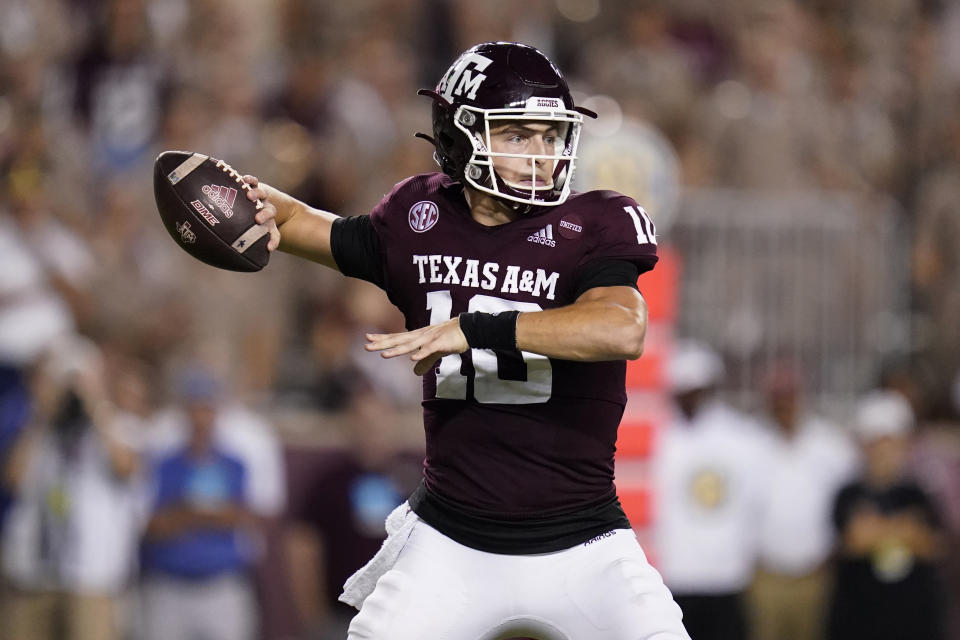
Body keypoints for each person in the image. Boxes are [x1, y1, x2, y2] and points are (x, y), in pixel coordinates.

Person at [242, 41, 689, 640]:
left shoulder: (594, 221)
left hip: (585, 542)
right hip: (450, 542)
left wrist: (476, 328)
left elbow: (621, 328)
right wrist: (269, 209)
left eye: (551, 137)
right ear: (460, 135)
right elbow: (319, 231)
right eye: (519, 135)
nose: (542, 155)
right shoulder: (418, 217)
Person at [1, 336, 141, 640]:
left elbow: (125, 467)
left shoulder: (119, 427)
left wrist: (94, 398)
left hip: (90, 577)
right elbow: (13, 478)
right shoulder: (35, 430)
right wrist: (43, 409)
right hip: (33, 574)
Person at [651, 340, 773, 640]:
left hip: (726, 580)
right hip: (673, 579)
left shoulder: (740, 437)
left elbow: (757, 502)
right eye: (683, 391)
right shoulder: (661, 437)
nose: (690, 399)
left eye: (697, 391)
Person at [139, 370, 261, 640]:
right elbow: (152, 526)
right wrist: (195, 513)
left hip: (221, 587)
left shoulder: (234, 464)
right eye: (195, 409)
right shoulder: (163, 465)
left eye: (207, 409)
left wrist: (188, 513)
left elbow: (242, 517)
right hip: (169, 588)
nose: (201, 418)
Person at [827, 390, 947, 640]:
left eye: (889, 442)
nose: (882, 452)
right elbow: (855, 539)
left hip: (913, 621)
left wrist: (876, 528)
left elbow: (931, 544)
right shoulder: (847, 493)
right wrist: (906, 527)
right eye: (874, 443)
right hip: (858, 621)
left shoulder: (920, 492)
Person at [750, 364, 857, 640]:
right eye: (778, 397)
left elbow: (850, 498)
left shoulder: (829, 444)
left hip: (815, 574)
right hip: (766, 575)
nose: (784, 404)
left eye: (790, 396)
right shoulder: (751, 444)